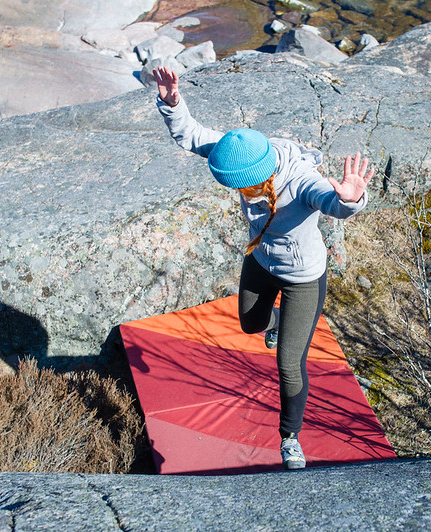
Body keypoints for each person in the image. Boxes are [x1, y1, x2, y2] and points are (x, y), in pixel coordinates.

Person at [153, 66, 374, 470]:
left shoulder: (301, 181)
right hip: (260, 258)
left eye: (243, 187)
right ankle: (279, 323)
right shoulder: (241, 152)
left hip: (303, 277)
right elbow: (194, 136)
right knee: (250, 324)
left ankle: (290, 437)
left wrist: (350, 200)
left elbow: (331, 202)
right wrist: (173, 104)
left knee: (289, 364)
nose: (240, 193)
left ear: (262, 175)